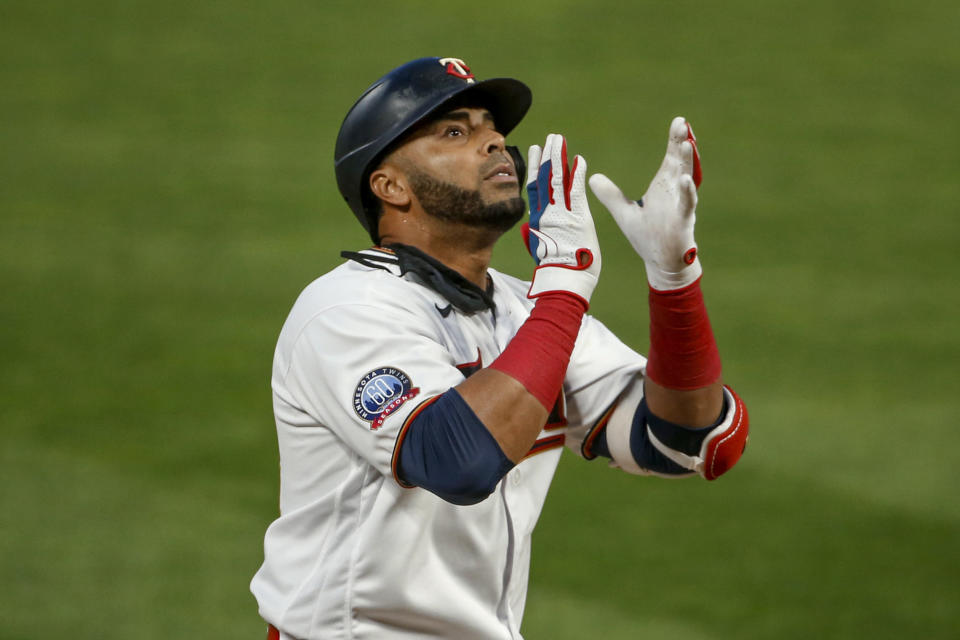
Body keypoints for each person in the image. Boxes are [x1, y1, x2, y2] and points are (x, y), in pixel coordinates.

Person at [251, 56, 749, 640]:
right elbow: (457, 463)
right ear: (391, 187)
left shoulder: (529, 311)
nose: (494, 144)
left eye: (494, 129)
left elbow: (687, 441)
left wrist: (674, 280)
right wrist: (563, 287)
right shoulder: (347, 310)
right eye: (455, 131)